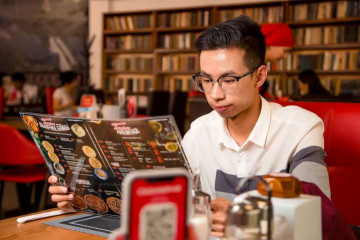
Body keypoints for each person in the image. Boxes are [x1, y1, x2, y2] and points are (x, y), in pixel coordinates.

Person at [47, 16, 330, 237]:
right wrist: (84, 199)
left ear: (260, 76)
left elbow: (319, 213)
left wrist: (242, 216)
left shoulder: (300, 126)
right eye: (206, 79)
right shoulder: (199, 131)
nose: (215, 94)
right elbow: (162, 204)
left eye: (228, 79)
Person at [260, 23, 294, 99]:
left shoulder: (261, 64)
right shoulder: (250, 65)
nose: (285, 57)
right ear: (269, 45)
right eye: (285, 51)